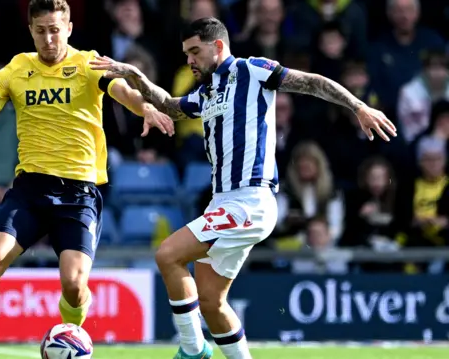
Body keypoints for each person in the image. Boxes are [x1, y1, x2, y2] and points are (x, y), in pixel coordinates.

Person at [91, 17, 397, 359]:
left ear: (218, 46)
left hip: (250, 201)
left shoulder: (252, 71)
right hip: (224, 204)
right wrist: (135, 75)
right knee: (210, 301)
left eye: (195, 51)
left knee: (168, 254)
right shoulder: (206, 92)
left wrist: (359, 106)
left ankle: (193, 350)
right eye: (185, 53)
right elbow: (169, 106)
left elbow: (311, 83)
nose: (189, 60)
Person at [0, 1, 173, 358]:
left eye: (54, 30)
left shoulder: (88, 63)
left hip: (79, 192)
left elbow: (120, 90)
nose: (48, 39)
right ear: (31, 31)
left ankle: (72, 337)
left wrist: (146, 106)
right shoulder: (18, 68)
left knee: (74, 285)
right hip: (31, 188)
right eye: (40, 31)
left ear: (68, 28)